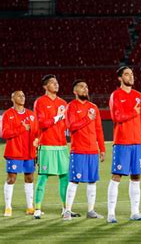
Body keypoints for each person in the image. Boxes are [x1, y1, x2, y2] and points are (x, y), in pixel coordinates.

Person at [107, 66, 141, 223]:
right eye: (127, 74)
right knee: (117, 176)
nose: (131, 76)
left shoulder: (138, 95)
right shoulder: (116, 95)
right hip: (122, 142)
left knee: (136, 176)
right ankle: (111, 213)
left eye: (132, 74)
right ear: (120, 78)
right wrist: (134, 111)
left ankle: (135, 212)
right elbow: (117, 117)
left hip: (136, 144)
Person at [63, 80, 105, 220]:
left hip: (93, 150)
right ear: (75, 91)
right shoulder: (71, 107)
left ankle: (91, 210)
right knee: (74, 180)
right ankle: (67, 210)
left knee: (92, 181)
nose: (85, 89)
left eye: (86, 87)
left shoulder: (93, 107)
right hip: (78, 150)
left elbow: (99, 129)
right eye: (81, 87)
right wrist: (87, 118)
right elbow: (71, 126)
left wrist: (102, 148)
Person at [33, 74, 72, 219]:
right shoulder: (40, 102)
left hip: (61, 145)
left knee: (64, 177)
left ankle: (65, 209)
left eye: (57, 82)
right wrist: (57, 117)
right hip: (47, 145)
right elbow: (42, 123)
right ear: (45, 86)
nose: (56, 85)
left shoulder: (63, 102)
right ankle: (37, 209)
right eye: (52, 83)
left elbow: (67, 124)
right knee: (43, 177)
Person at [2, 90, 38, 216]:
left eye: (23, 95)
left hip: (29, 152)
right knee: (11, 179)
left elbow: (36, 133)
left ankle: (30, 207)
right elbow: (4, 134)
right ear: (12, 98)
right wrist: (22, 128)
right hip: (14, 152)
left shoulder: (31, 115)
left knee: (29, 178)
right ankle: (8, 207)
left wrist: (37, 141)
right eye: (19, 96)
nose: (22, 97)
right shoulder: (8, 114)